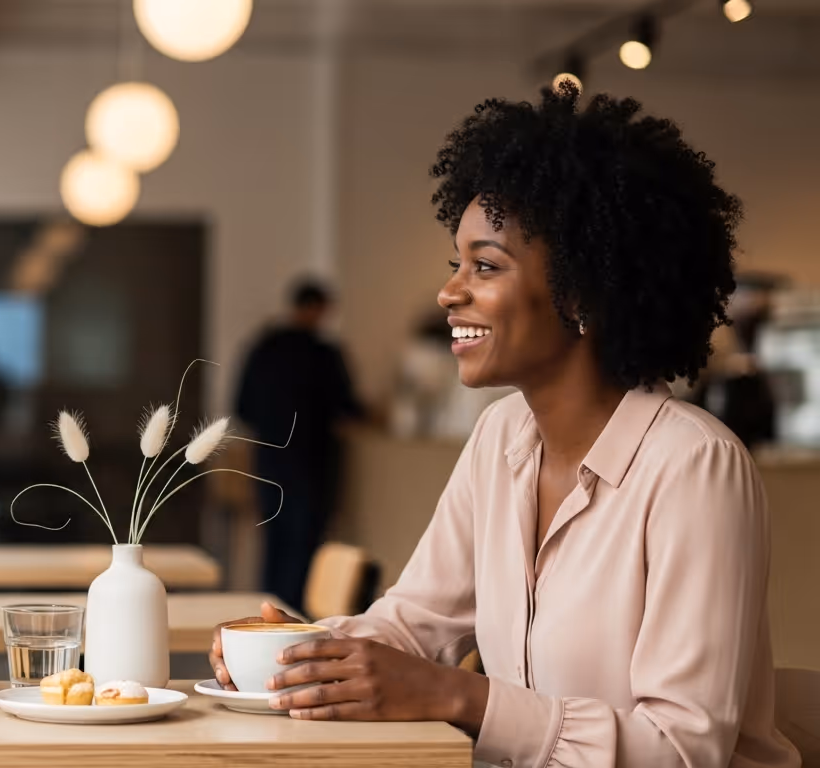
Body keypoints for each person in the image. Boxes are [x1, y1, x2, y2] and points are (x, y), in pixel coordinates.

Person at [210, 86, 800, 767]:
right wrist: (301, 653)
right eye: (455, 264)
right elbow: (415, 623)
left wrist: (463, 697)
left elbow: (679, 749)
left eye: (485, 266)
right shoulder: (501, 438)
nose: (449, 291)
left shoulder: (694, 466)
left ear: (580, 293)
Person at [235, 279, 365, 613]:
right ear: (319, 309)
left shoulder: (263, 348)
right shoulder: (323, 354)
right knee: (303, 550)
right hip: (312, 464)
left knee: (273, 545)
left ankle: (264, 620)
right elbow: (348, 408)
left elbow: (241, 408)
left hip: (268, 463)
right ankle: (291, 627)